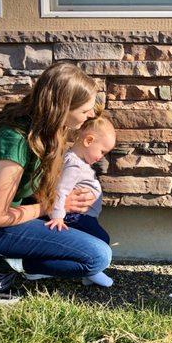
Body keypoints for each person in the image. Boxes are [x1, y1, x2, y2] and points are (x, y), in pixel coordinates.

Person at [0, 62, 112, 304]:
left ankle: (12, 259)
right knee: (97, 257)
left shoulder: (45, 131)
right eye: (85, 110)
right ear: (63, 107)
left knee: (97, 238)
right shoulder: (17, 141)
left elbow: (34, 190)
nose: (92, 115)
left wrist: (66, 201)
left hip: (1, 219)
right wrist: (48, 207)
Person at [46, 112, 116, 287]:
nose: (101, 157)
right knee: (101, 239)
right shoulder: (74, 164)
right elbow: (61, 190)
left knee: (97, 239)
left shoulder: (77, 161)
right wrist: (58, 215)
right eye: (102, 151)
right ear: (88, 141)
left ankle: (88, 273)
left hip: (82, 216)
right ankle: (92, 271)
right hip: (74, 217)